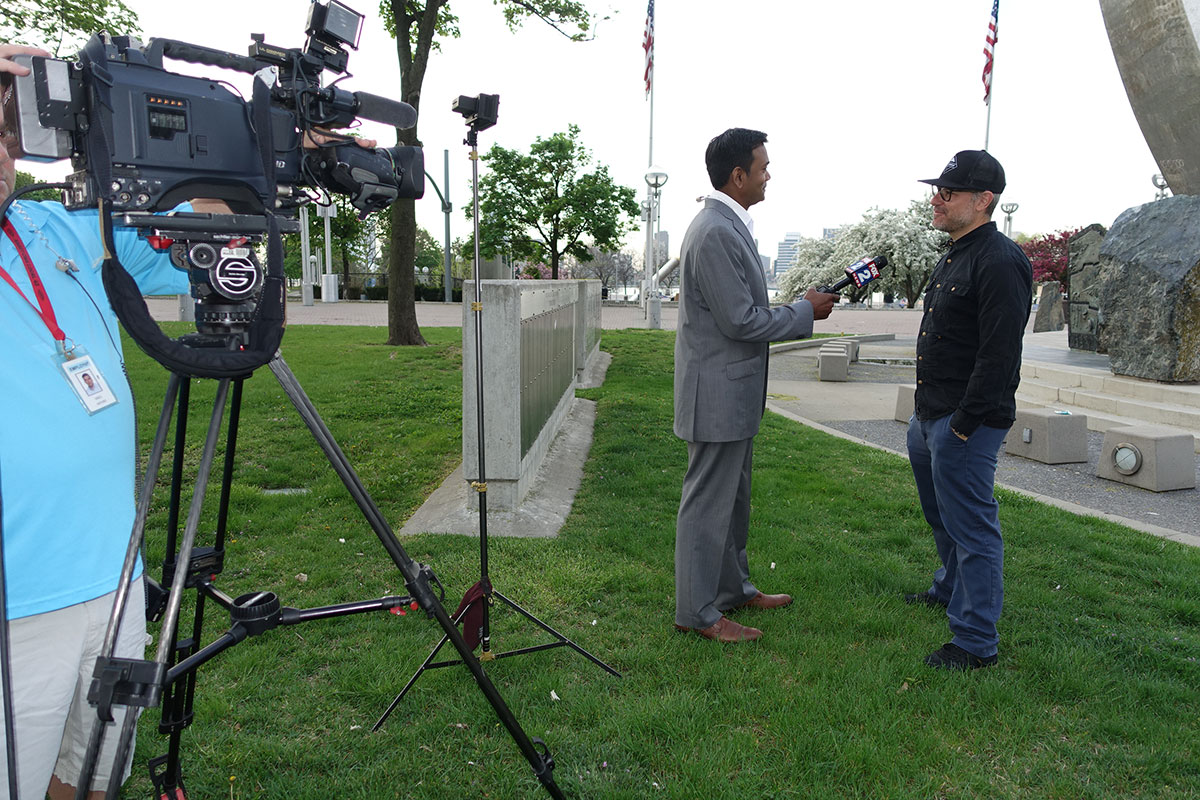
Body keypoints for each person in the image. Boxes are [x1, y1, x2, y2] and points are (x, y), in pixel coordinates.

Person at [0, 43, 208, 798]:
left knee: (89, 777)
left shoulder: (53, 230)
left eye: (1, 131)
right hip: (18, 611)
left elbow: (197, 232)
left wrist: (266, 145)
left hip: (112, 583)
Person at [672, 128, 838, 643]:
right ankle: (697, 612)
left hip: (732, 393)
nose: (769, 174)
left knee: (734, 500)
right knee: (708, 505)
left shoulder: (728, 223)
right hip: (718, 396)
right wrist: (804, 312)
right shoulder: (716, 230)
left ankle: (732, 589)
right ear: (737, 176)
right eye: (763, 167)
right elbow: (742, 321)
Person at [905, 149, 1032, 670]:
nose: (937, 198)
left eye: (949, 192)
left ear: (984, 200)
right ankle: (948, 588)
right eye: (938, 189)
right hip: (930, 414)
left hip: (964, 422)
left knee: (973, 529)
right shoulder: (956, 250)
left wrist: (961, 426)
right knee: (943, 518)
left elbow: (999, 355)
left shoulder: (1000, 260)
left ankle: (975, 641)